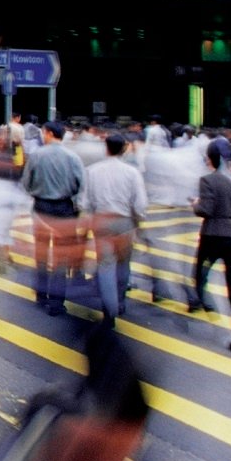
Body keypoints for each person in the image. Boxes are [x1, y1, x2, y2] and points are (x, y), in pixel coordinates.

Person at [188, 145, 231, 355]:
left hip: (213, 235)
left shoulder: (208, 180)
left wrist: (196, 204)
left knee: (199, 274)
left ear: (211, 160)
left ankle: (203, 302)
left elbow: (206, 209)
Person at [81, 134, 147, 327]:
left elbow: (85, 202)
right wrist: (137, 223)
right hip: (125, 222)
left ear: (106, 148)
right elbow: (140, 204)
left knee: (106, 266)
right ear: (124, 149)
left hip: (101, 221)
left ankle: (109, 312)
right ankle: (120, 302)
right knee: (124, 264)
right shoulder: (132, 173)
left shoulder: (92, 171)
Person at [20, 121, 86, 316]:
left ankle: (41, 295)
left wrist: (37, 192)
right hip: (65, 209)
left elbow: (26, 183)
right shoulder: (73, 157)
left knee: (41, 253)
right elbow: (81, 186)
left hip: (41, 207)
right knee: (61, 257)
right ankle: (56, 302)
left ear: (48, 133)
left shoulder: (36, 156)